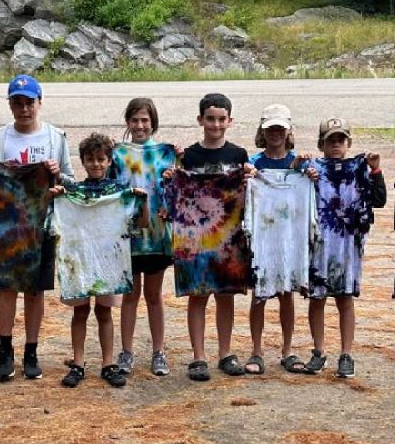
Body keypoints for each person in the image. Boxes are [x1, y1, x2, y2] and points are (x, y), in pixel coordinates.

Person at [0, 74, 74, 381]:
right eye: (17, 103)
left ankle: (31, 351)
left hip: (42, 224)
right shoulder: (0, 138)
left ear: (40, 102)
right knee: (7, 287)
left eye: (29, 103)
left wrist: (57, 175)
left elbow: (70, 182)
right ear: (10, 104)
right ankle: (5, 349)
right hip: (9, 225)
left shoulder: (55, 137)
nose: (24, 109)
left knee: (35, 291)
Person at [52, 133, 148, 388]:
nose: (95, 164)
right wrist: (56, 197)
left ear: (109, 161)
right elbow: (54, 220)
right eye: (90, 159)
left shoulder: (119, 192)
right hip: (79, 260)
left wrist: (142, 200)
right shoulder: (73, 191)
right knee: (80, 311)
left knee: (104, 312)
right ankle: (78, 363)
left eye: (100, 159)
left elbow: (143, 223)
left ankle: (108, 363)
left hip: (108, 261)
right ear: (82, 161)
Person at [174, 92, 254, 381]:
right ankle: (198, 357)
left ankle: (225, 353)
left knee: (225, 296)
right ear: (200, 120)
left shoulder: (239, 155)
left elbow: (249, 194)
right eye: (210, 119)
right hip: (195, 238)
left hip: (228, 238)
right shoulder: (188, 156)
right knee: (198, 296)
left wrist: (250, 177)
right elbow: (176, 192)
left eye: (221, 119)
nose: (216, 124)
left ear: (230, 121)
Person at [301, 117, 386, 378]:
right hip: (319, 244)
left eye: (341, 139)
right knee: (317, 299)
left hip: (348, 243)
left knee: (345, 299)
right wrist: (300, 169)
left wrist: (375, 171)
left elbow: (379, 201)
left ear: (348, 142)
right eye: (331, 140)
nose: (336, 144)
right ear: (321, 143)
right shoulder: (312, 168)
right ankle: (318, 351)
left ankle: (346, 353)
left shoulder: (360, 167)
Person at [110, 98, 176, 378]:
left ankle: (158, 351)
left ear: (153, 123)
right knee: (129, 296)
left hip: (157, 235)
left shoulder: (166, 154)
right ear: (127, 122)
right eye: (135, 120)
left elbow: (176, 190)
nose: (140, 125)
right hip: (128, 236)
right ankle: (126, 351)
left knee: (153, 295)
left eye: (145, 120)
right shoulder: (117, 154)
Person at [247, 104, 304, 374]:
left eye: (280, 128)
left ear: (289, 131)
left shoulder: (299, 164)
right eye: (271, 129)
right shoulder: (254, 164)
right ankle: (256, 351)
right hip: (263, 236)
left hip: (288, 236)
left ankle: (288, 349)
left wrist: (308, 174)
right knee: (259, 295)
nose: (276, 134)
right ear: (262, 131)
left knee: (286, 294)